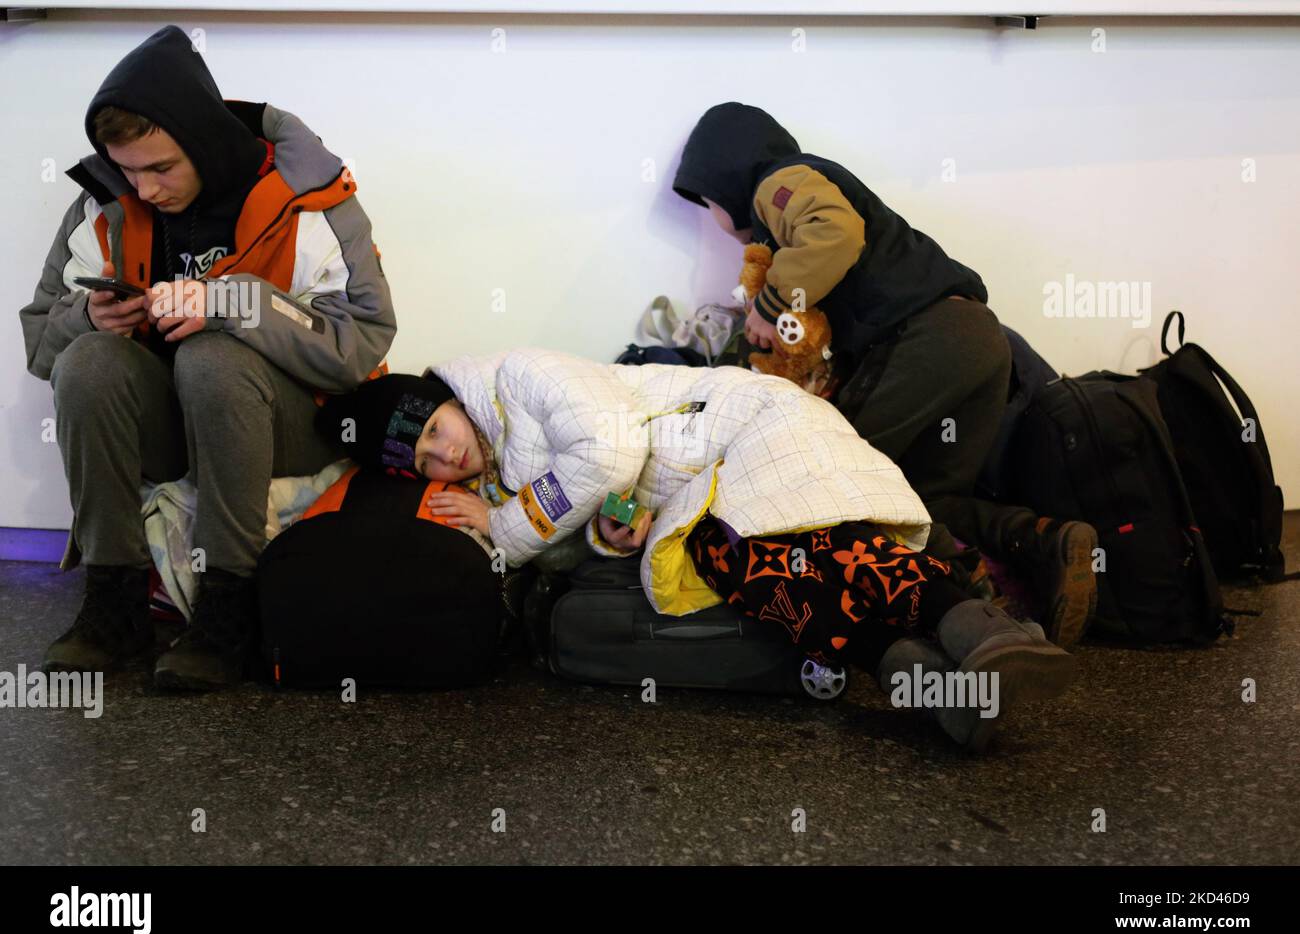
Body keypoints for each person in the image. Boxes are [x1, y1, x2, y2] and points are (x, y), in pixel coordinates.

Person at [320, 354, 1076, 752]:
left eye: (432, 430)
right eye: (421, 463)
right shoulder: (502, 468)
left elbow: (611, 450)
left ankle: (986, 634)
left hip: (742, 429)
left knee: (820, 540)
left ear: (445, 397)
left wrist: (508, 525)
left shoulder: (521, 377)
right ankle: (940, 691)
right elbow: (595, 505)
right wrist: (603, 533)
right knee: (776, 577)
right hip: (697, 496)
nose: (441, 456)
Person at [20, 25, 397, 690]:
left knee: (212, 355)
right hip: (179, 425)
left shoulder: (309, 193)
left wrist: (232, 304)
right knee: (87, 359)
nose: (145, 189)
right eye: (129, 171)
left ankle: (228, 608)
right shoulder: (106, 201)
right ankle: (114, 605)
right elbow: (41, 343)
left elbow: (360, 343)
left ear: (205, 143)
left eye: (161, 168)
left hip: (293, 425)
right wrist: (89, 316)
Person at [672, 101, 1096, 647]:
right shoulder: (800, 193)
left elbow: (835, 234)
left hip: (924, 339)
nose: (711, 216)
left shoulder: (778, 183)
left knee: (841, 478)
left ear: (727, 174)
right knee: (924, 500)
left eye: (706, 201)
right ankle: (1045, 542)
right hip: (978, 340)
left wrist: (771, 304)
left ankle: (976, 614)